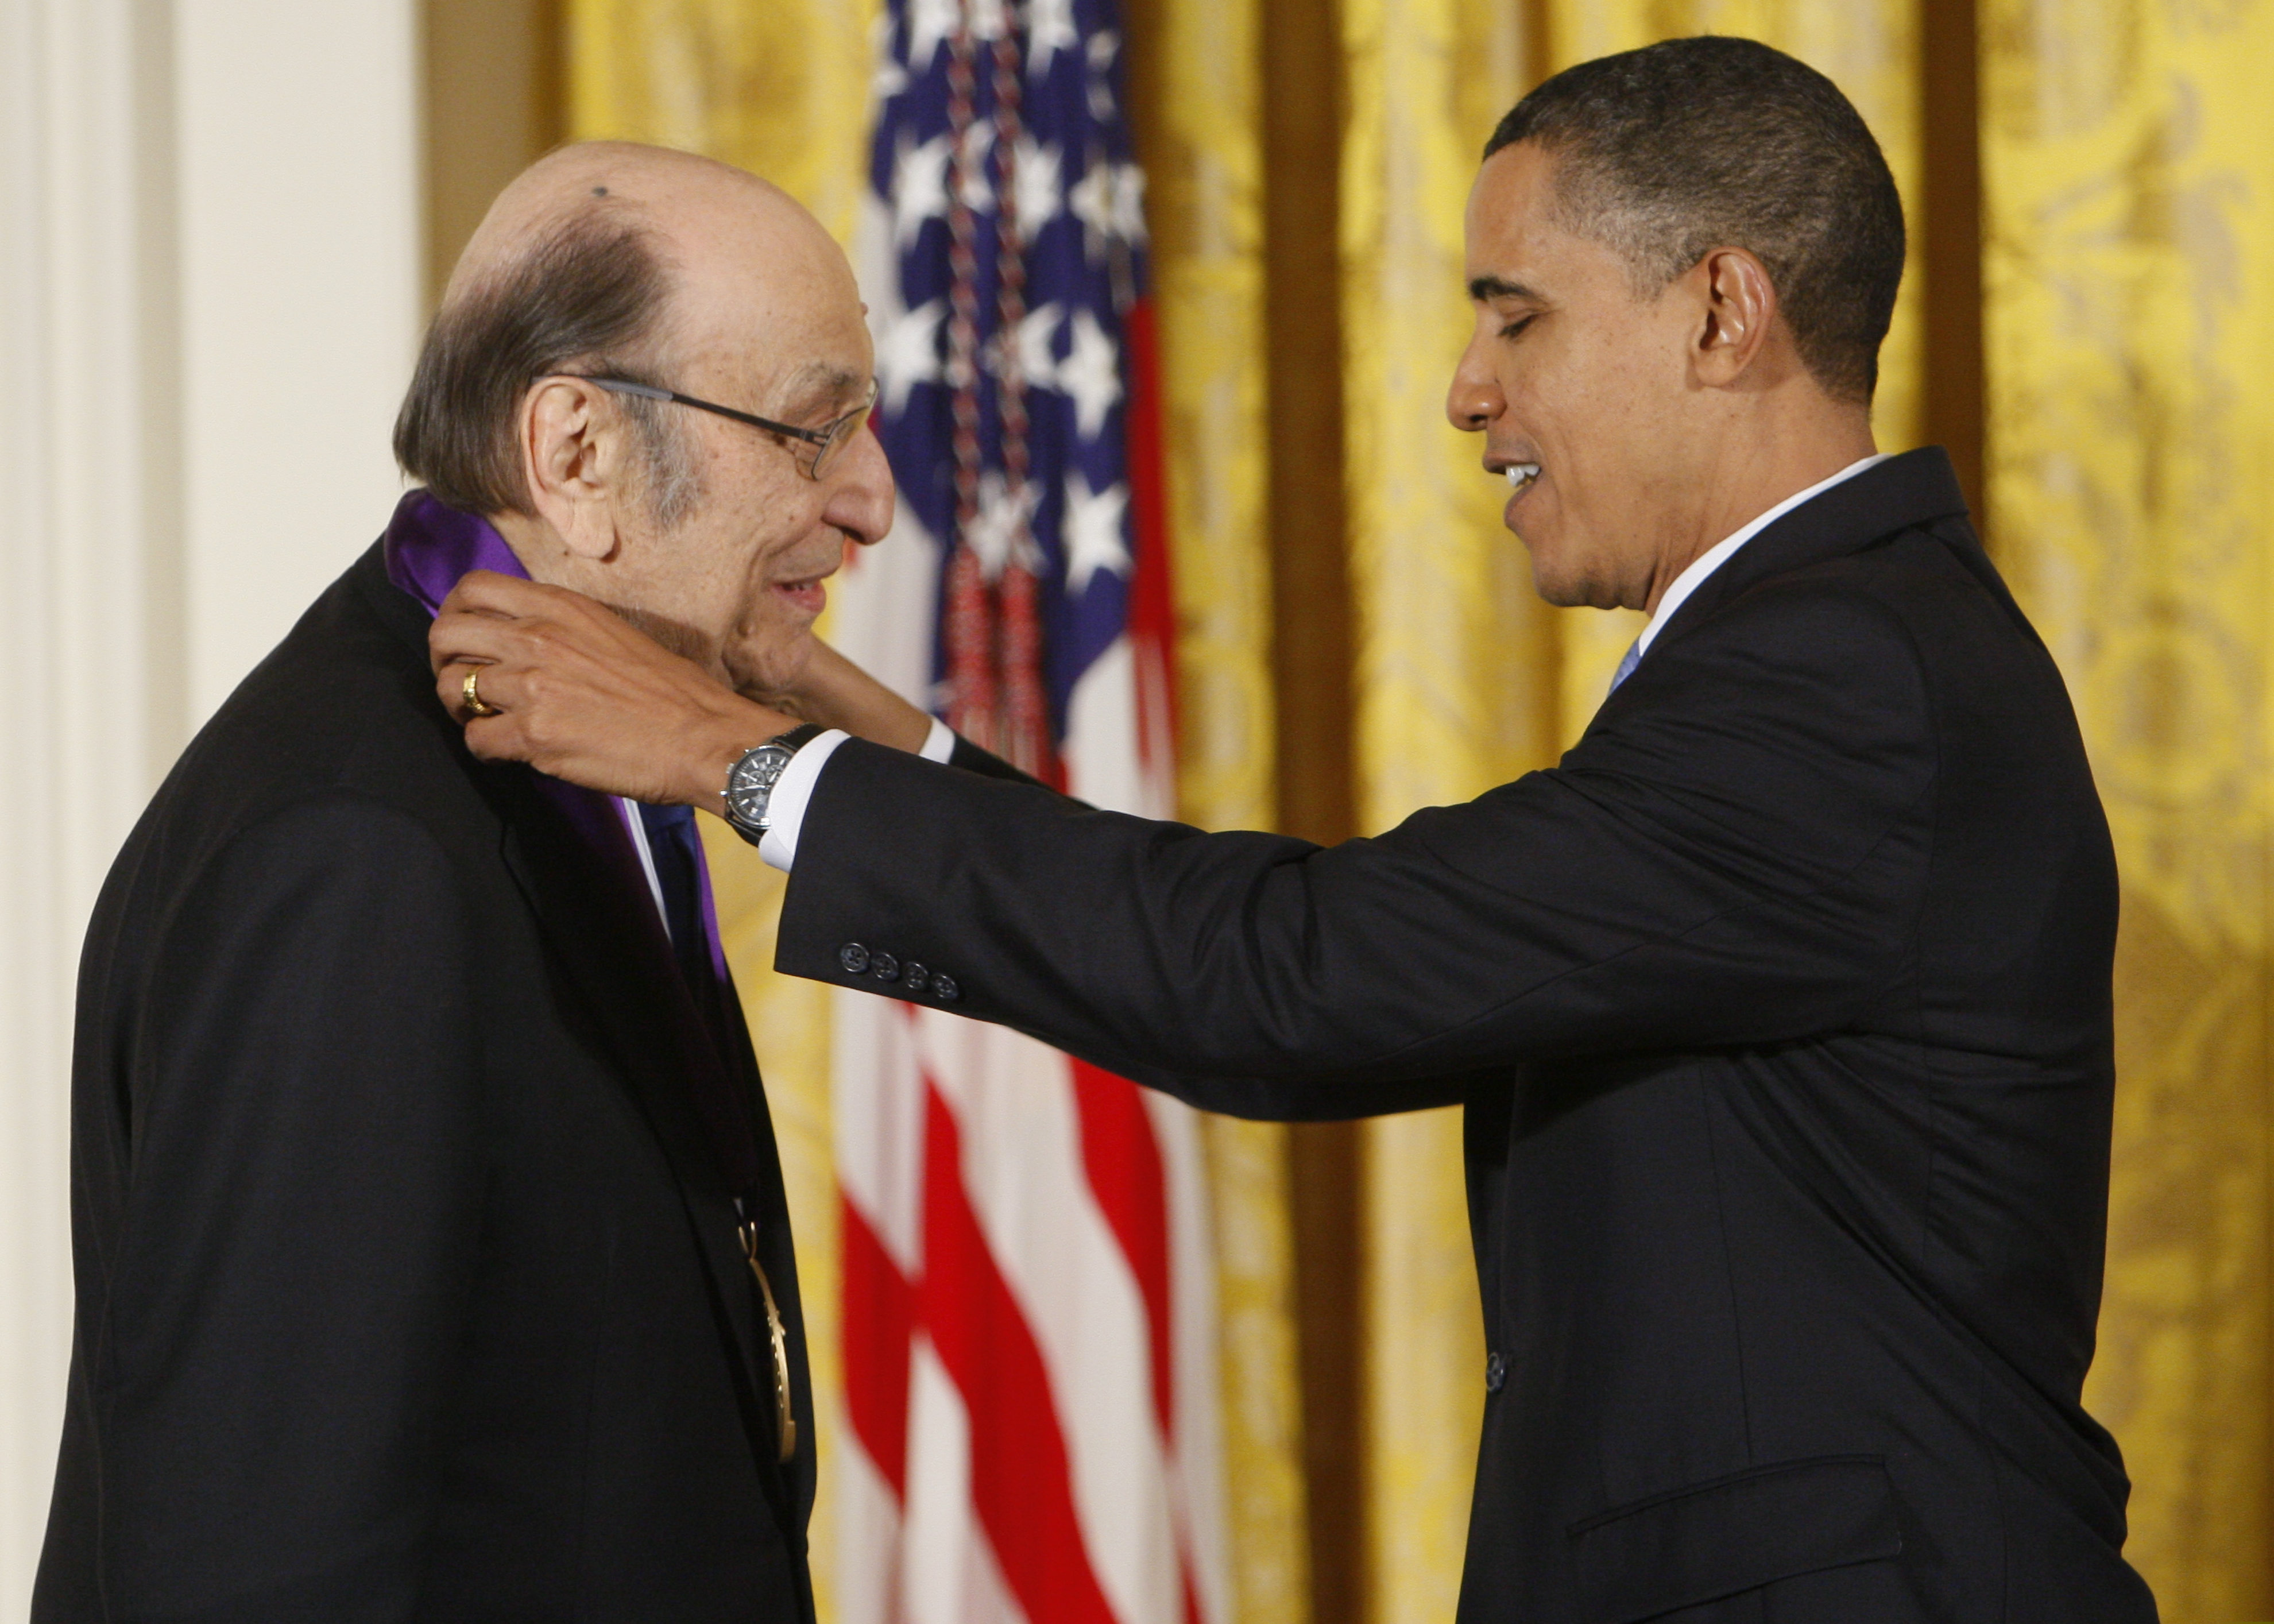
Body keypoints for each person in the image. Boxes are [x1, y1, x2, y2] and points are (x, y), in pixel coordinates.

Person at [429, 40, 2158, 1623]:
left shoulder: (1848, 677)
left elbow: (1305, 976)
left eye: (1517, 316)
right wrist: (885, 745)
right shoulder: (1837, 650)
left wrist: (736, 759)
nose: (1468, 392)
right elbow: (1302, 957)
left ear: (1722, 314)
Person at [33, 141, 1031, 1621]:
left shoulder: (556, 756)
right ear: (577, 455)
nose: (874, 500)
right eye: (814, 433)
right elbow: (259, 1566)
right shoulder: (353, 864)